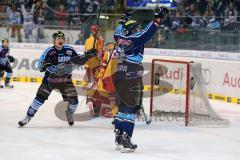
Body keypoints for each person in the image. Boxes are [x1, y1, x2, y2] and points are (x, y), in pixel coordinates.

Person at [113, 7, 169, 152]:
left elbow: (117, 31)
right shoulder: (135, 39)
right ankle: (126, 139)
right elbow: (147, 32)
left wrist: (123, 19)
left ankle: (118, 136)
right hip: (132, 74)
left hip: (119, 73)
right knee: (130, 109)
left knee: (121, 109)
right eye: (136, 28)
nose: (138, 29)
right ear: (132, 30)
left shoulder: (119, 37)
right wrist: (157, 18)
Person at [18, 31, 97, 127]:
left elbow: (78, 60)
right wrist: (44, 65)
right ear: (54, 40)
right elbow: (40, 65)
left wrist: (87, 56)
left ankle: (69, 113)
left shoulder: (69, 50)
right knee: (39, 99)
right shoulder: (49, 52)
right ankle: (27, 117)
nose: (61, 40)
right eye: (58, 38)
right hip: (50, 80)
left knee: (74, 101)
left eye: (62, 38)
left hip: (65, 81)